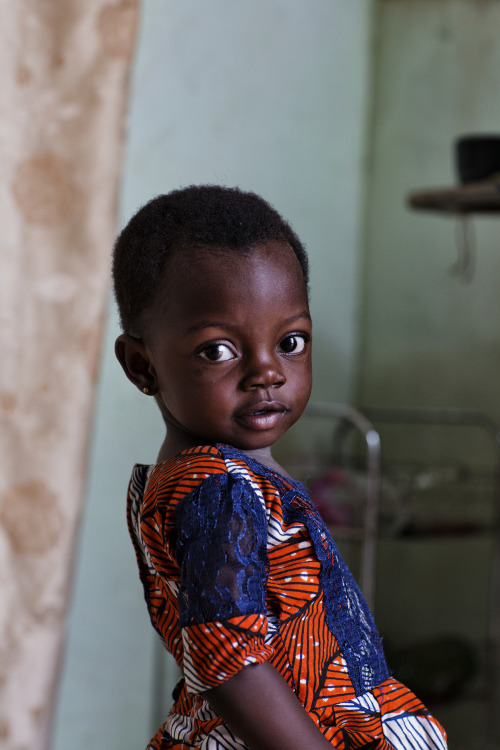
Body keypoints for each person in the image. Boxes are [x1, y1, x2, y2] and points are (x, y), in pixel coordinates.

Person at [113, 185, 448, 750]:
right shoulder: (215, 488)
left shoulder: (221, 478)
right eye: (218, 350)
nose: (267, 371)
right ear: (142, 366)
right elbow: (231, 663)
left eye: (291, 341)